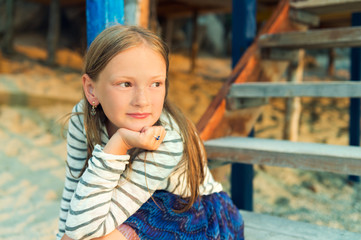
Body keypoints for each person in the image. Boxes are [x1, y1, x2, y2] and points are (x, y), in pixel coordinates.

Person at [56, 24, 244, 240]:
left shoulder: (168, 140)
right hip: (142, 200)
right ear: (91, 90)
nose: (142, 101)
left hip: (195, 213)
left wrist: (119, 143)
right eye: (126, 84)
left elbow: (85, 230)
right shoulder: (83, 117)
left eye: (155, 83)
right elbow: (74, 191)